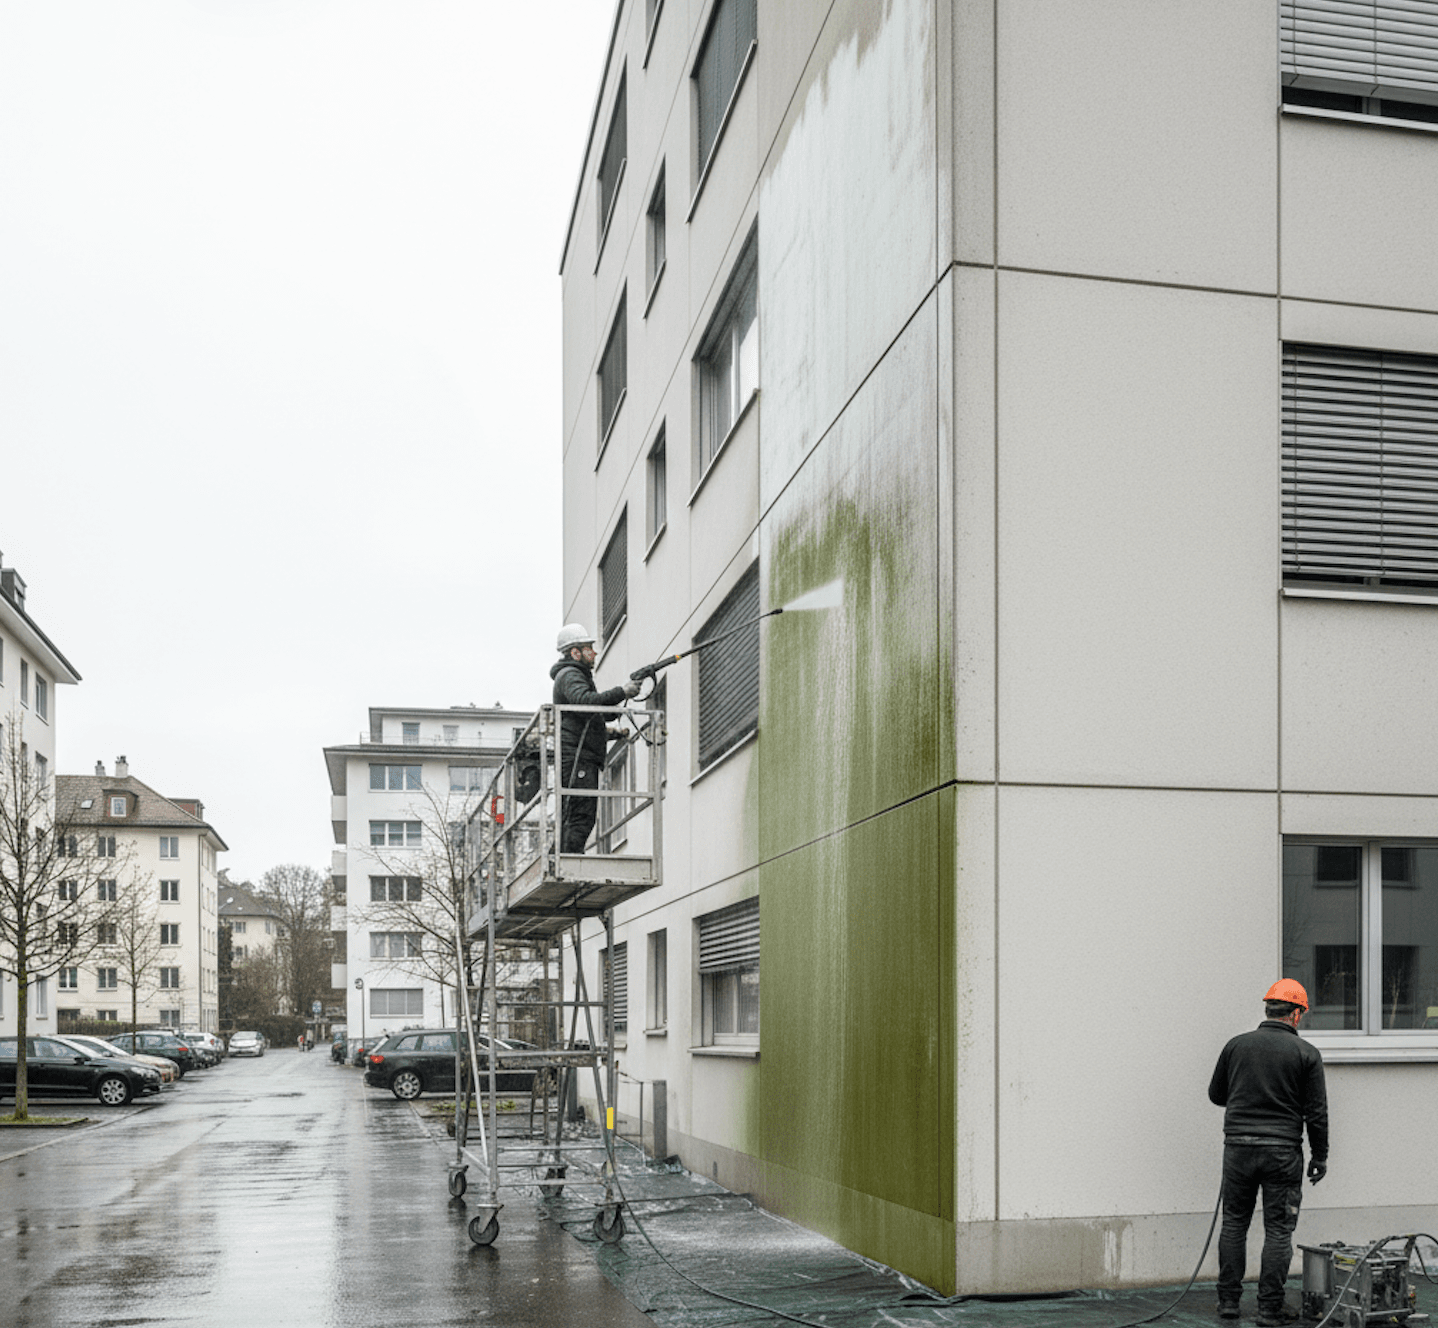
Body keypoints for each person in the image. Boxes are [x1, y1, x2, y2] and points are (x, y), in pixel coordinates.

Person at [1208, 979, 1328, 1326]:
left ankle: (1228, 1303)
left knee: (1234, 1223)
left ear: (1268, 1009)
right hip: (1282, 1153)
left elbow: (1216, 1095)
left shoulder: (1236, 1046)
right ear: (1296, 1013)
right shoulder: (1306, 1053)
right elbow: (1316, 1112)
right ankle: (1269, 1309)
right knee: (1278, 1230)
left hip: (1238, 1149)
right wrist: (1320, 1156)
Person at [549, 623, 640, 854]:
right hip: (578, 758)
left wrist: (613, 728)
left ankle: (560, 860)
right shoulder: (570, 675)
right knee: (580, 816)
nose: (595, 653)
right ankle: (567, 862)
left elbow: (589, 714)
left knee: (576, 814)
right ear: (575, 652)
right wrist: (622, 692)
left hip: (579, 757)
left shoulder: (573, 675)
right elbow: (585, 702)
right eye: (589, 648)